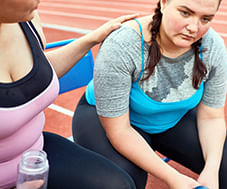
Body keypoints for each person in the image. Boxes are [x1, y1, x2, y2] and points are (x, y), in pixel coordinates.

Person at [73, 0, 227, 188]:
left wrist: (211, 171)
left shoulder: (212, 46)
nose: (193, 28)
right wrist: (173, 177)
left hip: (169, 120)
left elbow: (211, 117)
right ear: (164, 3)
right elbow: (119, 131)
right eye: (185, 13)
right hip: (112, 122)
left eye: (205, 19)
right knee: (126, 178)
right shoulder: (123, 44)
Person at [0, 0, 138, 188]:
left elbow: (39, 73)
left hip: (36, 154)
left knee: (119, 185)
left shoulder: (27, 21)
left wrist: (92, 38)